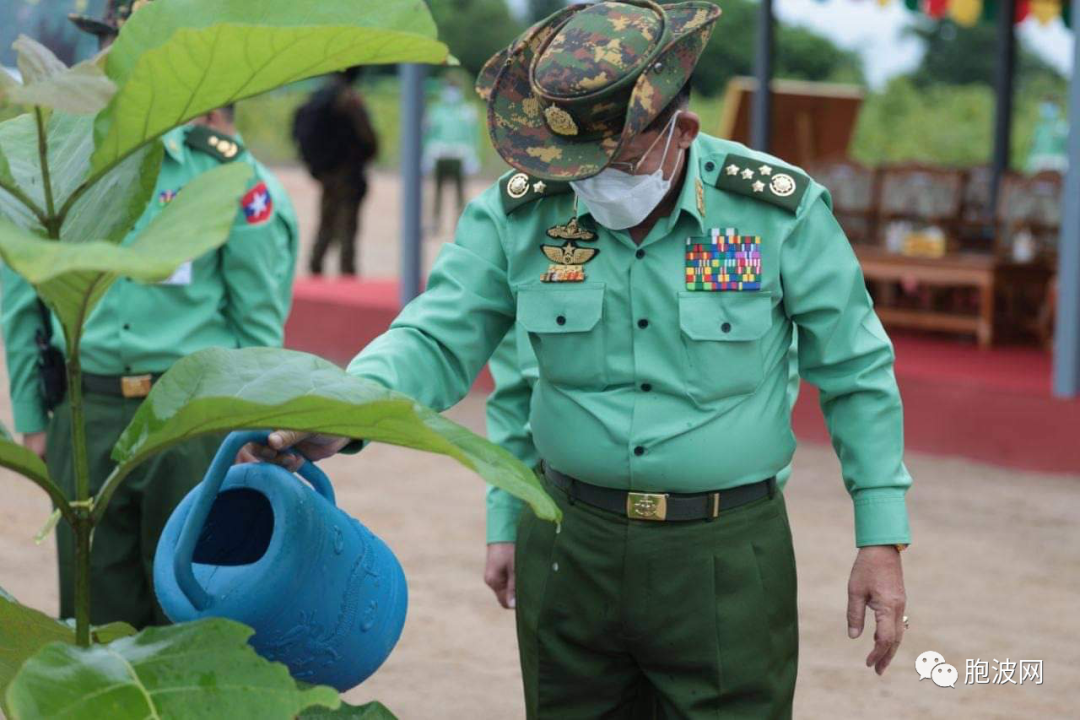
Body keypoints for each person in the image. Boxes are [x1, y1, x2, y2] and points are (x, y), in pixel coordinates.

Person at [242, 2, 912, 716]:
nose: (586, 182)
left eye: (608, 161)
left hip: (724, 557)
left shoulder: (774, 213)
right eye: (571, 164)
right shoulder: (523, 211)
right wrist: (340, 412)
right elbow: (437, 338)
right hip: (570, 548)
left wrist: (881, 537)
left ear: (679, 129)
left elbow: (856, 371)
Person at [0, 0, 299, 629]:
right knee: (93, 616)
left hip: (188, 423)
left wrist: (246, 424)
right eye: (112, 44)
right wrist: (33, 416)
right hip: (88, 414)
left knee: (192, 609)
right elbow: (21, 295)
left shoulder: (222, 169)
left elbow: (256, 319)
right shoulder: (62, 161)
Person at [293, 66, 378, 276]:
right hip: (348, 172)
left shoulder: (318, 96)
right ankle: (346, 274)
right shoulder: (348, 100)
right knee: (347, 227)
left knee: (326, 222)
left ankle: (315, 267)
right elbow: (367, 137)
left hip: (326, 172)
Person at [423, 77, 481, 231]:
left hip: (459, 156)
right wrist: (427, 155)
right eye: (448, 89)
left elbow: (473, 135)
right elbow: (429, 135)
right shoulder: (436, 110)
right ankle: (435, 222)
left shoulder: (467, 111)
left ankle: (460, 223)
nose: (451, 93)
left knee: (460, 193)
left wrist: (473, 156)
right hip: (440, 156)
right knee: (437, 191)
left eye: (454, 89)